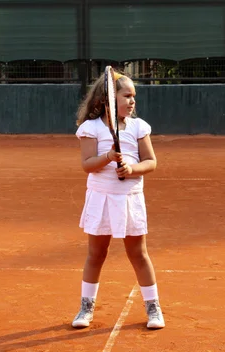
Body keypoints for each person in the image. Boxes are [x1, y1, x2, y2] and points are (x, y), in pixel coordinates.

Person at [71, 69, 165, 330]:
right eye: (127, 95)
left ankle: (153, 308)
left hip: (130, 198)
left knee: (138, 253)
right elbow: (88, 165)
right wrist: (109, 158)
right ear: (108, 100)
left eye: (134, 96)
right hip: (101, 197)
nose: (132, 101)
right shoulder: (90, 129)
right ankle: (86, 308)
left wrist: (132, 169)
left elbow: (151, 162)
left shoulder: (138, 126)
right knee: (96, 254)